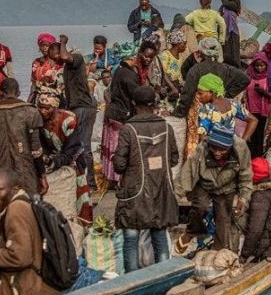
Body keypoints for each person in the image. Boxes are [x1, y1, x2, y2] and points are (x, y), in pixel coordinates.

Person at [113, 86, 180, 272]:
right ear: (154, 104)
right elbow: (174, 159)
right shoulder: (166, 127)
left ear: (134, 104)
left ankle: (133, 283)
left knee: (131, 236)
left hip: (135, 193)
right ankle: (164, 278)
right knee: (159, 234)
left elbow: (119, 165)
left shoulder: (129, 129)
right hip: (161, 190)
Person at [177, 124, 252, 253]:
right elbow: (186, 176)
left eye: (222, 150)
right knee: (200, 207)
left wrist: (243, 198)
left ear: (229, 147)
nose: (217, 153)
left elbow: (246, 174)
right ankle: (191, 232)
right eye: (214, 149)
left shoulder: (240, 148)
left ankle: (219, 253)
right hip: (204, 183)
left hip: (227, 186)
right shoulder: (201, 149)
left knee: (223, 220)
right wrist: (173, 199)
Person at [102, 41, 158, 187]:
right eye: (137, 57)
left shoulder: (120, 70)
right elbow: (137, 95)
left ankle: (113, 178)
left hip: (114, 113)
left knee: (114, 147)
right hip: (120, 115)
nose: (138, 60)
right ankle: (119, 178)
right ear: (133, 57)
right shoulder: (129, 75)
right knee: (119, 148)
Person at [37, 89, 94, 225]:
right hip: (55, 159)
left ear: (55, 107)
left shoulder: (68, 120)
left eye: (47, 108)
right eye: (40, 107)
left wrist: (58, 161)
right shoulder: (39, 121)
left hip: (73, 160)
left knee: (82, 196)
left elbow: (73, 148)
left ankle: (82, 226)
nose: (43, 111)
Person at [0, 78, 47, 196]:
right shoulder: (31, 111)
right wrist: (42, 175)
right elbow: (36, 150)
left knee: (2, 209)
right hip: (26, 174)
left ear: (0, 93)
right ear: (18, 93)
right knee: (29, 208)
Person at [173, 38, 250, 118]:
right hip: (217, 112)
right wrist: (227, 96)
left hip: (200, 112)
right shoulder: (226, 69)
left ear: (201, 51)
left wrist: (178, 114)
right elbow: (245, 79)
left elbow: (187, 95)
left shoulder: (196, 70)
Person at [57, 34, 97, 187]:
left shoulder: (77, 58)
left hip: (83, 108)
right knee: (78, 145)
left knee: (84, 145)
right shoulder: (67, 68)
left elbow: (64, 55)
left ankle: (90, 183)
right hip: (77, 107)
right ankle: (83, 180)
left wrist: (63, 42)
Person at [245, 53, 271, 157]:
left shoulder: (269, 78)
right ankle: (251, 156)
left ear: (266, 65)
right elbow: (245, 92)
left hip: (262, 110)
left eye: (262, 65)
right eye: (257, 65)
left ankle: (258, 157)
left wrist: (263, 92)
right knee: (251, 133)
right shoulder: (249, 76)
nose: (259, 68)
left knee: (259, 134)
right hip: (251, 109)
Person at [29, 33, 64, 105]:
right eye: (42, 45)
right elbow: (34, 83)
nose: (44, 48)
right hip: (39, 95)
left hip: (56, 96)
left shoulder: (59, 63)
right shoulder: (36, 62)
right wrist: (30, 99)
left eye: (47, 45)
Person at [216, 0, 244, 68]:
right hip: (224, 30)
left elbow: (224, 1)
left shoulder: (235, 3)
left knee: (234, 52)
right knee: (224, 51)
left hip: (232, 32)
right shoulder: (228, 1)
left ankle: (236, 69)